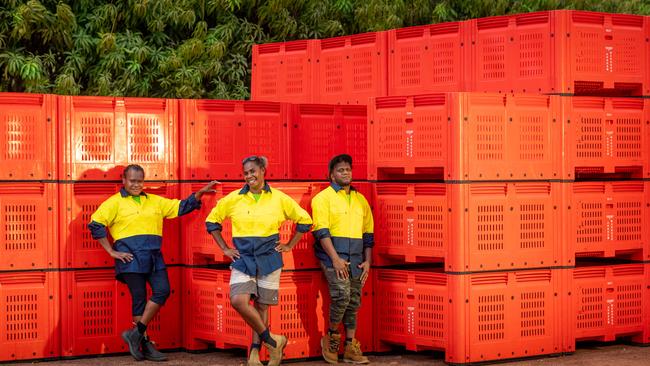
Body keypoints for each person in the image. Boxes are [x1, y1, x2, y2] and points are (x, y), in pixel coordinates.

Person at [88, 164, 218, 362]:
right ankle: (146, 344)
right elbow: (95, 224)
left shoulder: (155, 201)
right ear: (123, 180)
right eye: (132, 181)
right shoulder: (114, 203)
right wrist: (111, 251)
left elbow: (181, 206)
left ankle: (136, 333)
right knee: (139, 298)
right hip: (130, 257)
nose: (136, 185)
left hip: (154, 256)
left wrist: (200, 193)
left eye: (140, 181)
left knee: (162, 290)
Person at [205, 155, 313, 366]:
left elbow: (305, 221)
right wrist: (225, 248)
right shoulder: (233, 198)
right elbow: (211, 221)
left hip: (269, 258)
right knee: (239, 301)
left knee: (262, 307)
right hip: (243, 259)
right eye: (245, 173)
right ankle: (274, 341)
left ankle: (255, 354)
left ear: (263, 170)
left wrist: (290, 245)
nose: (249, 176)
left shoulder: (279, 198)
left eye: (253, 171)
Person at [312, 154, 374, 364]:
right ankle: (331, 337)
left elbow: (368, 234)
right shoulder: (322, 199)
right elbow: (321, 232)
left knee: (354, 301)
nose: (346, 172)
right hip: (332, 257)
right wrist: (335, 259)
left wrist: (368, 261)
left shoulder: (360, 200)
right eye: (340, 170)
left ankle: (349, 346)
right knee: (342, 296)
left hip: (356, 258)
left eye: (348, 169)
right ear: (331, 175)